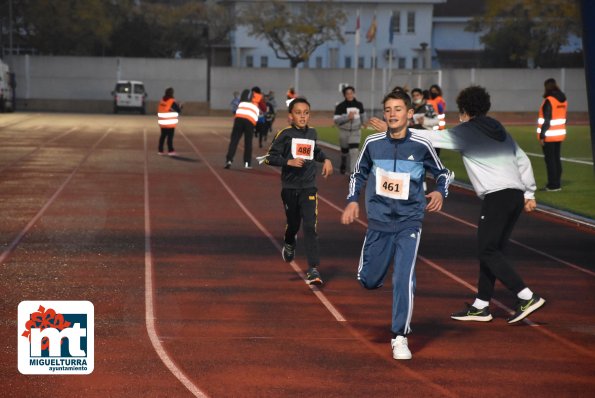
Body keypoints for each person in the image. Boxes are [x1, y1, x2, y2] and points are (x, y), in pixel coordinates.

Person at [371, 86, 545, 325]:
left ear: (464, 111)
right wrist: (529, 192)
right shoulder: (500, 130)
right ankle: (481, 305)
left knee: (487, 250)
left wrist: (396, 129)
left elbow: (433, 137)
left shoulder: (466, 131)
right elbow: (522, 159)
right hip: (514, 196)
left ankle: (526, 296)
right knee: (492, 251)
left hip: (497, 196)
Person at [341, 90, 451, 360]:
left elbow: (443, 173)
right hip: (378, 221)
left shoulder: (421, 146)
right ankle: (374, 274)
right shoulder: (373, 143)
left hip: (409, 221)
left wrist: (439, 191)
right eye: (388, 109)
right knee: (368, 281)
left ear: (409, 114)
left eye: (398, 109)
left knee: (403, 277)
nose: (392, 114)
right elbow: (358, 172)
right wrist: (353, 200)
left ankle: (400, 336)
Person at [261, 97, 333, 285]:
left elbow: (315, 151)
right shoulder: (284, 134)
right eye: (298, 113)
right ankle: (289, 242)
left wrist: (325, 159)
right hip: (290, 188)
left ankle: (313, 269)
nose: (302, 116)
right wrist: (288, 162)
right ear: (290, 116)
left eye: (306, 112)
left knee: (310, 226)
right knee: (293, 224)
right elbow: (268, 158)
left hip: (309, 187)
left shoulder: (312, 132)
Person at [537, 78, 567, 191]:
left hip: (549, 135)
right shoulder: (563, 99)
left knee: (550, 161)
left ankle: (553, 185)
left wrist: (542, 136)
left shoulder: (549, 100)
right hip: (559, 134)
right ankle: (557, 183)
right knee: (556, 159)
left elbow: (547, 120)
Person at [225, 87, 263, 169]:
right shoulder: (260, 97)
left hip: (239, 117)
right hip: (250, 120)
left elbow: (239, 102)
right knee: (248, 143)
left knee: (234, 140)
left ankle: (229, 160)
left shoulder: (245, 92)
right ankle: (247, 163)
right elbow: (264, 108)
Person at [333, 85, 367, 174]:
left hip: (355, 132)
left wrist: (364, 122)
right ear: (344, 95)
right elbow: (336, 120)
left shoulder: (359, 105)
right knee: (344, 151)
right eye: (347, 93)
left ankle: (353, 173)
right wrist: (347, 117)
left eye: (351, 93)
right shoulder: (340, 106)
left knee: (354, 152)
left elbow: (363, 115)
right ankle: (343, 161)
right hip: (344, 131)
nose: (350, 95)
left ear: (354, 94)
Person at [157, 87, 182, 156]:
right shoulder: (172, 101)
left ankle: (160, 150)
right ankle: (170, 151)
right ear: (172, 93)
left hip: (162, 122)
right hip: (170, 123)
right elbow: (178, 110)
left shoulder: (162, 101)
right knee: (170, 137)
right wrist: (180, 106)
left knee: (162, 136)